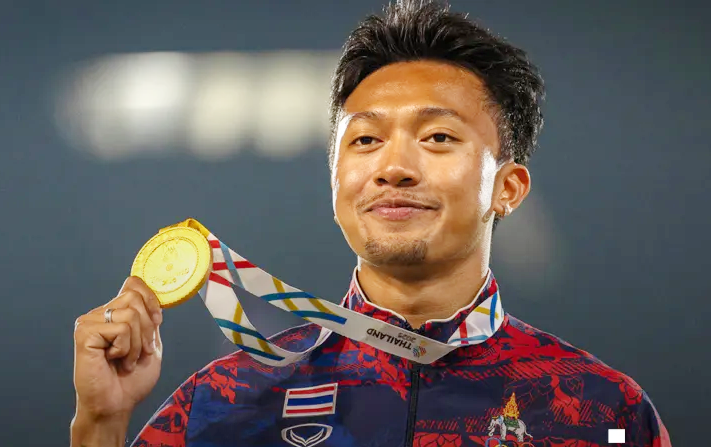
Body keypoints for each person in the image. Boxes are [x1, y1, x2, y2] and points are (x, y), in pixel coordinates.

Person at [71, 1, 672, 446]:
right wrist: (100, 423)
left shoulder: (604, 411)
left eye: (438, 137)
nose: (393, 168)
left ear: (508, 188)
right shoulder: (222, 403)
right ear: (335, 181)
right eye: (365, 140)